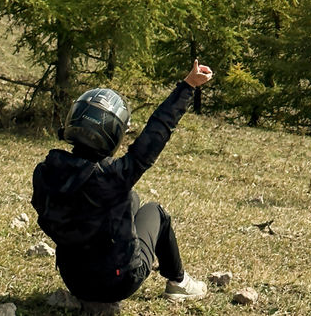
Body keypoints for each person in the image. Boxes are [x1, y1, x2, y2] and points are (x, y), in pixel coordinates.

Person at [31, 59, 213, 313]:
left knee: (132, 200)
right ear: (115, 133)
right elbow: (156, 132)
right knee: (155, 212)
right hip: (118, 282)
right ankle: (179, 283)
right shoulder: (114, 177)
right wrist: (188, 86)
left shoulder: (46, 171)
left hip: (75, 280)